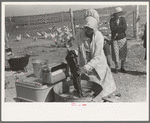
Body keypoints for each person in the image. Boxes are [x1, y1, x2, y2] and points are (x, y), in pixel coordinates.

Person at [68, 9, 116, 102]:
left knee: (101, 88)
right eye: (86, 28)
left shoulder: (99, 36)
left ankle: (102, 100)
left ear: (94, 29)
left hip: (98, 65)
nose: (88, 30)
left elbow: (97, 57)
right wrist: (73, 53)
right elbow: (75, 47)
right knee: (89, 87)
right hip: (86, 64)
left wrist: (85, 67)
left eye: (91, 29)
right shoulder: (79, 35)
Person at [110, 7, 127, 73]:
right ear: (115, 14)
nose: (119, 14)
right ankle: (116, 67)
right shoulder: (112, 20)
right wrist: (120, 28)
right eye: (118, 13)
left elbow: (125, 27)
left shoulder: (123, 19)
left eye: (120, 13)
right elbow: (112, 28)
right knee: (115, 53)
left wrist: (116, 29)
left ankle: (122, 67)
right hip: (115, 39)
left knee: (123, 53)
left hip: (122, 38)